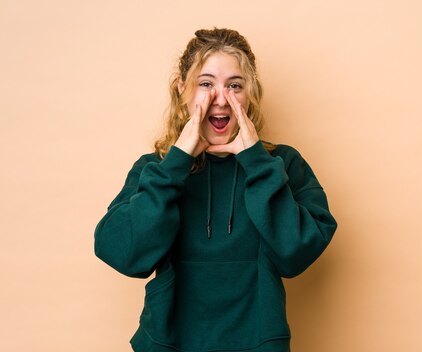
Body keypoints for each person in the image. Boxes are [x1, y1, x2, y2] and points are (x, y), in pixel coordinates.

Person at [94, 28, 337, 352]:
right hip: (169, 344)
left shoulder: (282, 163)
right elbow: (122, 253)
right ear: (183, 89)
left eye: (234, 85)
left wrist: (257, 163)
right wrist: (176, 164)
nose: (220, 98)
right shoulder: (157, 167)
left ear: (250, 93)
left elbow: (298, 253)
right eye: (205, 84)